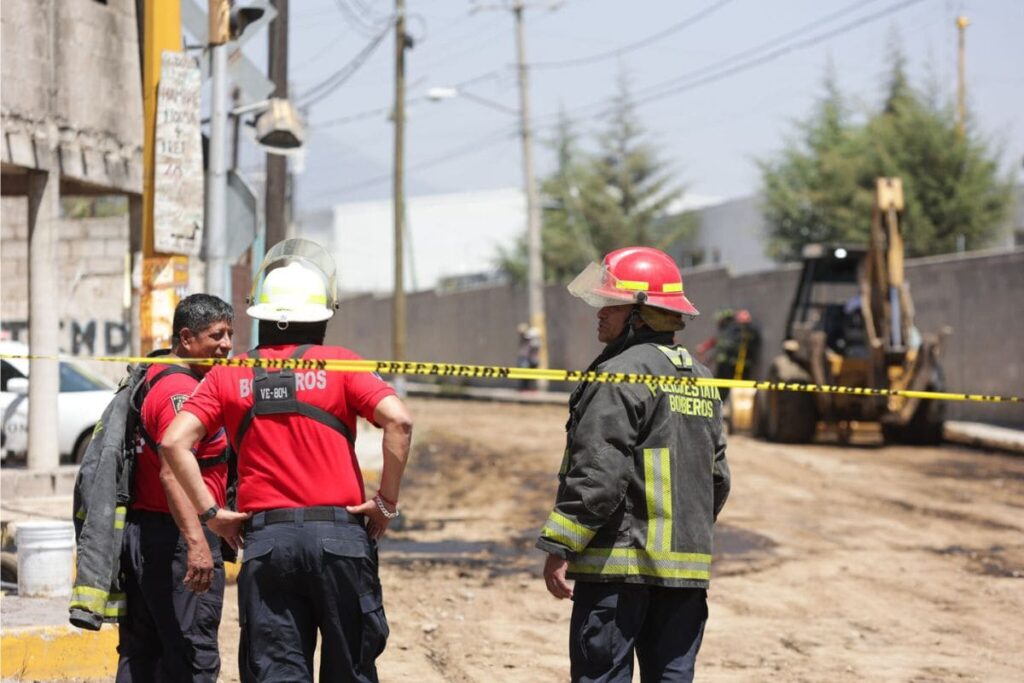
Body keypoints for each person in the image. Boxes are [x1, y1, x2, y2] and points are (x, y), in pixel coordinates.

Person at [160, 238, 413, 683]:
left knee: (276, 671)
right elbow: (399, 422)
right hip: (340, 539)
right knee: (350, 670)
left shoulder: (229, 372)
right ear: (321, 317)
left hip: (267, 544)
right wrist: (386, 503)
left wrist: (213, 515)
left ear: (262, 317)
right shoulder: (341, 364)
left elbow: (173, 442)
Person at [536, 246, 731, 683]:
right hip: (684, 578)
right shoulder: (701, 379)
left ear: (642, 313)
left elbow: (598, 472)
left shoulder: (619, 374)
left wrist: (561, 543)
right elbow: (717, 479)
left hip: (617, 573)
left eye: (612, 303)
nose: (599, 313)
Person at [117, 293, 234, 682]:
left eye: (229, 334)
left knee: (144, 655)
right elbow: (172, 472)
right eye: (216, 335)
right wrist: (198, 543)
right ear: (186, 338)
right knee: (191, 655)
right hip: (178, 540)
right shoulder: (179, 392)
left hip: (150, 534)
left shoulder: (155, 374)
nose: (227, 345)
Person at [516, 323, 541, 390]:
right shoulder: (525, 339)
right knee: (525, 376)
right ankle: (524, 388)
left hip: (531, 360)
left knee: (531, 376)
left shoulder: (533, 340)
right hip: (526, 359)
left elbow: (534, 349)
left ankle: (529, 388)